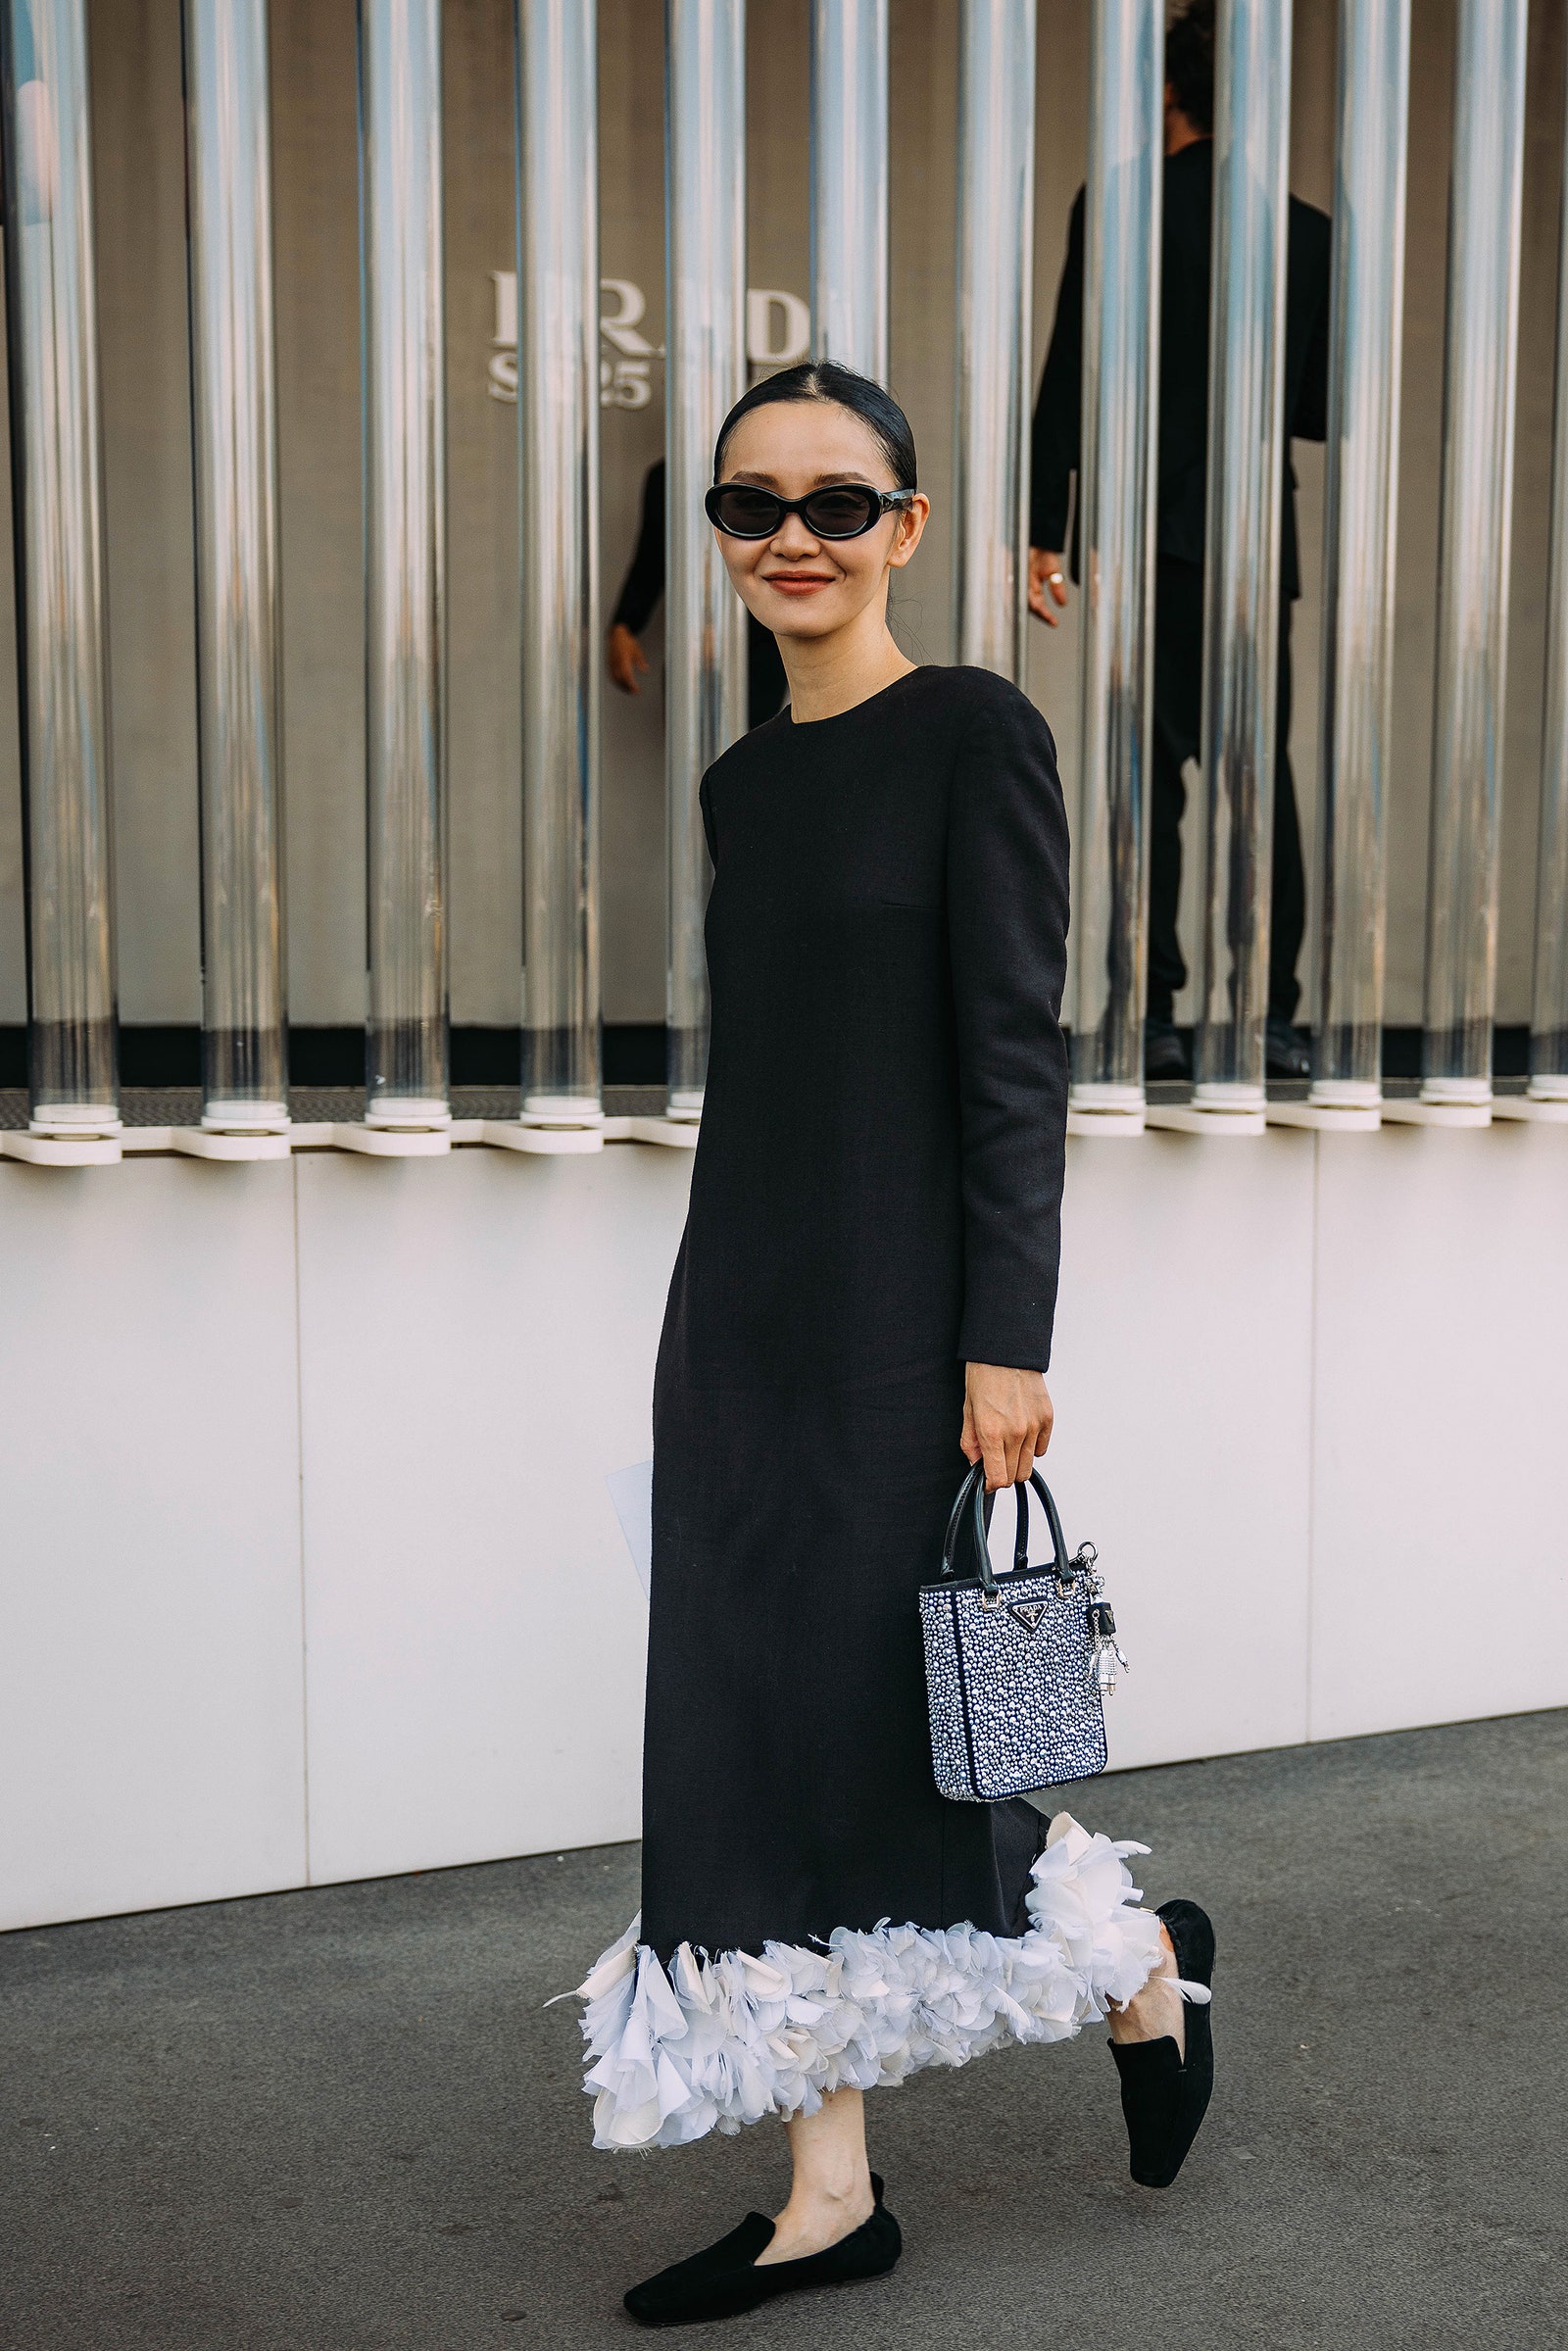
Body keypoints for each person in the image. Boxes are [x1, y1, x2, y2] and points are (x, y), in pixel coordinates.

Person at [564, 361, 1216, 2329]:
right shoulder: (741, 781)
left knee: (905, 1742)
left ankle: (1135, 1965)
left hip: (910, 1336)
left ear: (906, 529)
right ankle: (824, 2188)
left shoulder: (971, 735)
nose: (790, 534)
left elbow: (1008, 1056)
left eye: (837, 502)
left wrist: (1002, 1338)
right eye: (751, 503)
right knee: (744, 1747)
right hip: (741, 1321)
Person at [1029, 0, 1330, 1081]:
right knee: (1262, 779)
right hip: (1252, 545)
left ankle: (1148, 1012)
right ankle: (1273, 1014)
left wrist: (1039, 529)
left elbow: (1067, 372)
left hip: (1138, 536)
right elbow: (1322, 409)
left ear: (1163, 90)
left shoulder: (1115, 207)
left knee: (1147, 781)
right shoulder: (1300, 229)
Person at [608, 457, 791, 729]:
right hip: (689, 643)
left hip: (765, 639)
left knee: (756, 748)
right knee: (694, 750)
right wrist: (624, 625)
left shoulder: (778, 468)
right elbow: (651, 558)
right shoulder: (671, 473)